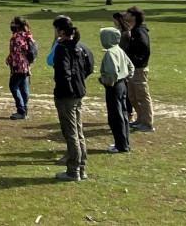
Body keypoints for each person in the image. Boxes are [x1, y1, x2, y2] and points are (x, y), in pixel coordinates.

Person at [52, 15, 93, 182]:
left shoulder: (62, 48)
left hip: (67, 94)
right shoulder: (79, 47)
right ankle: (81, 167)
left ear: (61, 31)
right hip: (78, 92)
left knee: (71, 133)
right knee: (78, 130)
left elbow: (64, 72)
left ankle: (73, 170)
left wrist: (63, 87)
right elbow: (87, 67)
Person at [98, 27, 134, 153]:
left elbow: (112, 73)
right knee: (123, 115)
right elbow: (131, 67)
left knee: (115, 117)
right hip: (122, 84)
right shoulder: (119, 50)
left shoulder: (110, 53)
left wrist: (105, 81)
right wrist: (126, 79)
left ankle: (121, 146)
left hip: (114, 86)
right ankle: (124, 142)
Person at [124, 6, 155, 132]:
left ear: (133, 16)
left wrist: (136, 60)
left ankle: (148, 123)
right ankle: (140, 119)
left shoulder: (139, 31)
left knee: (142, 95)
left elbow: (144, 47)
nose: (125, 15)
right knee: (133, 96)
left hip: (139, 69)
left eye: (128, 13)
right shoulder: (135, 29)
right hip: (134, 68)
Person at [5, 16, 35, 120]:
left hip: (19, 67)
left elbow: (15, 54)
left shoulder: (16, 37)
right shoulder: (27, 36)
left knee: (13, 87)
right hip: (26, 66)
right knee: (23, 88)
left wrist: (11, 66)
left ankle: (21, 110)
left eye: (13, 23)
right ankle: (24, 110)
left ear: (17, 26)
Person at [112, 11, 134, 122]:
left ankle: (129, 113)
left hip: (123, 63)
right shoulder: (120, 32)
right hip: (119, 62)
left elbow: (123, 48)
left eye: (115, 19)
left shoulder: (125, 33)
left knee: (125, 88)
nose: (114, 22)